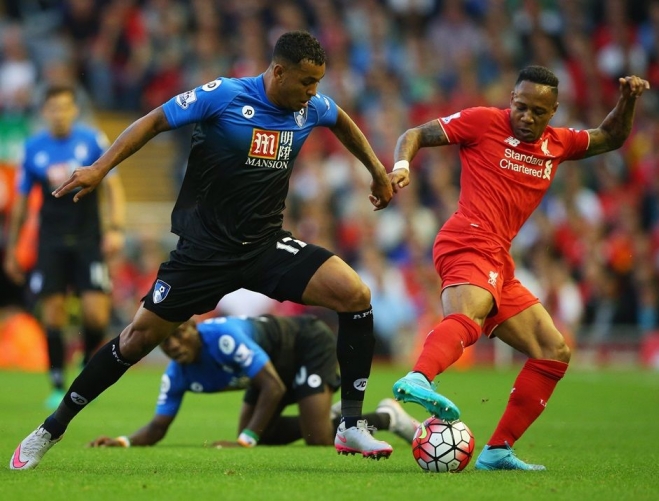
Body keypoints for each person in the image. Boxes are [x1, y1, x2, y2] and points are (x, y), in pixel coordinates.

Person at [9, 30, 395, 471]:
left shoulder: (311, 107)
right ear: (278, 71)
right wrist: (100, 167)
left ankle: (351, 424)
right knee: (135, 340)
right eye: (307, 81)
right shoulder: (225, 95)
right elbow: (154, 120)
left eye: (318, 82)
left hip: (264, 246)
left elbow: (341, 120)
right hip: (203, 254)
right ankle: (51, 428)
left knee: (355, 295)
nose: (314, 91)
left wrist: (377, 172)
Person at [389, 66, 649, 471]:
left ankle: (497, 451)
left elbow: (610, 137)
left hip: (500, 258)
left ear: (553, 111)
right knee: (471, 313)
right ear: (511, 99)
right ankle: (420, 377)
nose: (526, 117)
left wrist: (627, 100)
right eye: (521, 107)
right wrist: (402, 166)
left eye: (537, 112)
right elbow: (415, 134)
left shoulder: (558, 143)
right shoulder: (482, 122)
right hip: (467, 238)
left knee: (553, 350)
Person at [88, 314, 418, 449]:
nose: (173, 346)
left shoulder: (223, 338)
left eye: (178, 335)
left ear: (194, 327)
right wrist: (123, 441)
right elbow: (159, 426)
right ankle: (323, 412)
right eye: (165, 342)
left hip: (304, 344)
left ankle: (386, 417)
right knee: (266, 433)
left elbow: (272, 386)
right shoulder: (177, 372)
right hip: (270, 369)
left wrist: (245, 441)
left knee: (317, 438)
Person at [3, 84, 125, 410]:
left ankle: (85, 364)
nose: (59, 114)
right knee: (53, 313)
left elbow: (112, 186)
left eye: (65, 107)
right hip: (51, 241)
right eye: (53, 108)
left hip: (88, 238)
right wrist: (13, 249)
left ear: (74, 110)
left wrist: (115, 228)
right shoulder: (33, 148)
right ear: (45, 112)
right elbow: (21, 203)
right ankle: (57, 383)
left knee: (96, 314)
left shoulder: (92, 141)